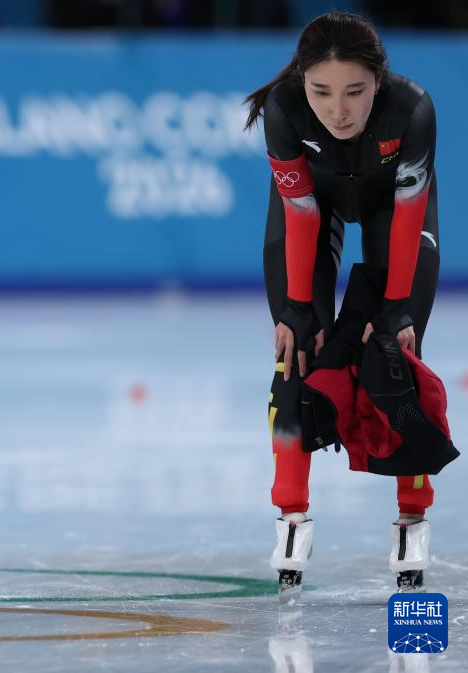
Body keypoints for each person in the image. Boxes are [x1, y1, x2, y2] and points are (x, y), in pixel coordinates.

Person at [244, 11, 439, 596]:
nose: (338, 110)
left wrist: (397, 308)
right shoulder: (284, 109)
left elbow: (407, 216)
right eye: (322, 92)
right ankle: (290, 516)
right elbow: (302, 215)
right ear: (300, 82)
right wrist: (298, 307)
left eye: (355, 91)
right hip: (313, 207)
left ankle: (412, 517)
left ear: (379, 81)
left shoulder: (413, 109)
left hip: (394, 213)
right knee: (295, 351)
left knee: (398, 356)